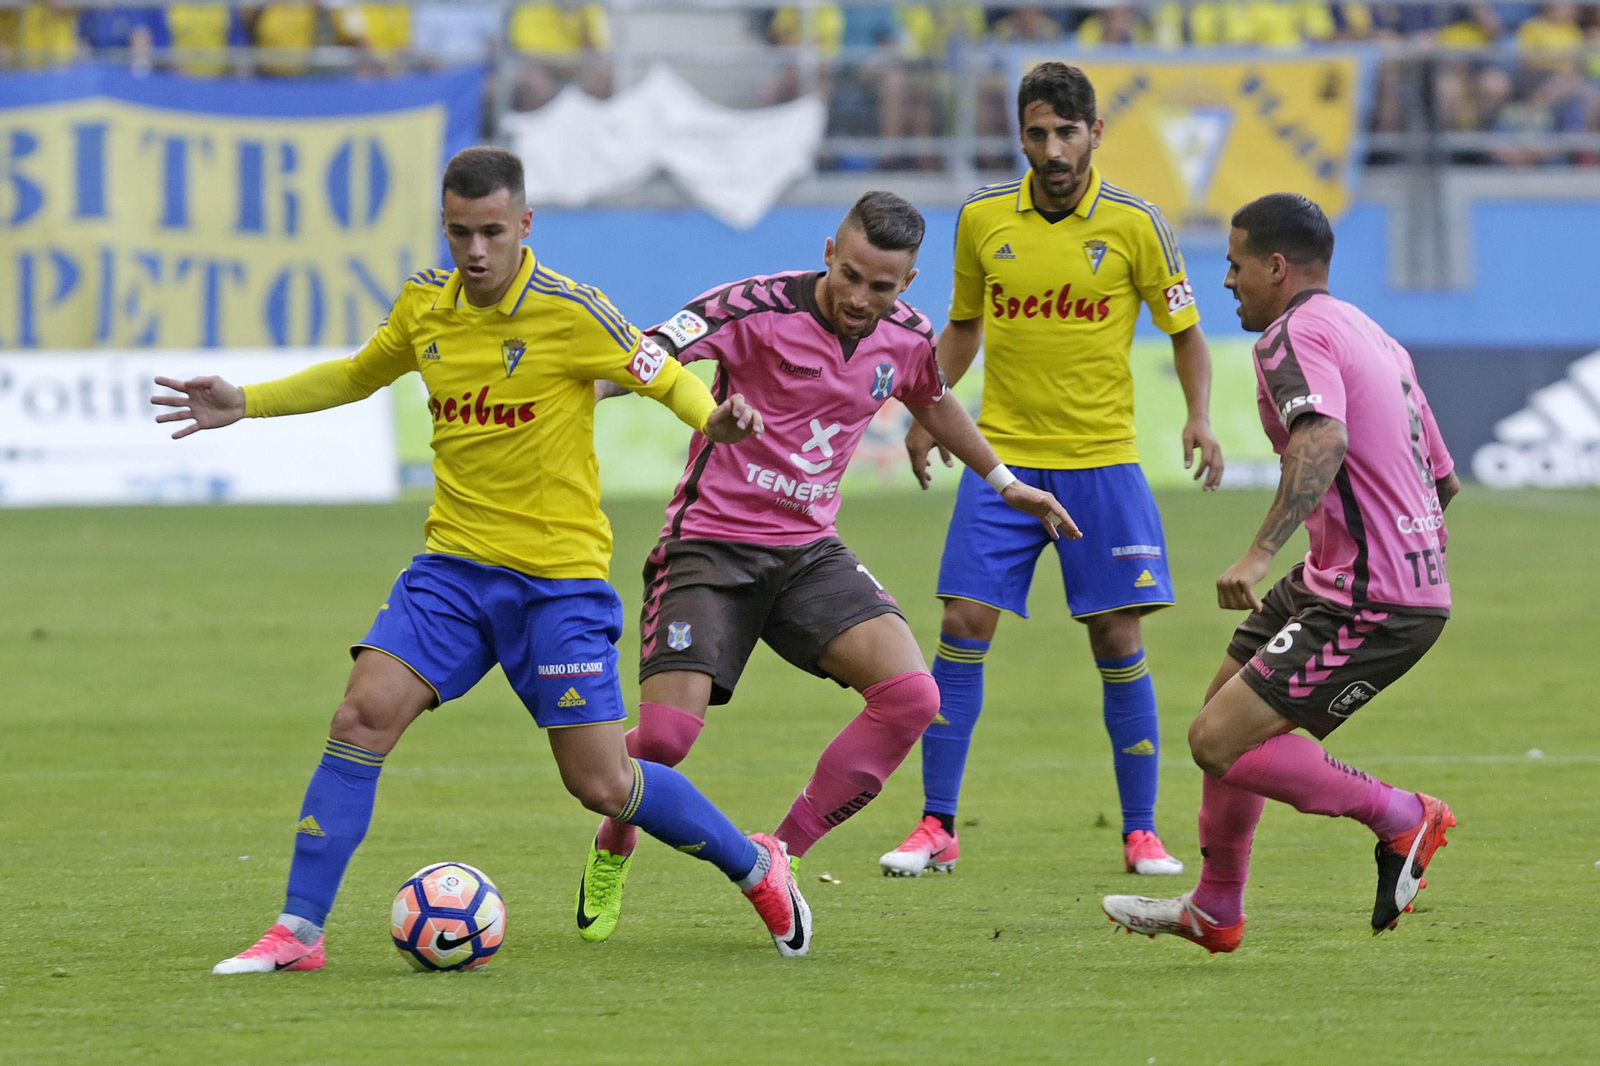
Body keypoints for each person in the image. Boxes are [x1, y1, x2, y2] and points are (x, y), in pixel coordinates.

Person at [151, 146, 817, 967]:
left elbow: (663, 376)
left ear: (524, 225)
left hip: (558, 585)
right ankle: (299, 932)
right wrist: (246, 403)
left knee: (603, 785)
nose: (474, 250)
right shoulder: (426, 307)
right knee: (360, 717)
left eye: (491, 231)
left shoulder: (575, 312)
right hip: (454, 573)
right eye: (460, 232)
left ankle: (755, 865)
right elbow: (358, 376)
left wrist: (711, 419)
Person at [573, 192, 1079, 943]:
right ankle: (616, 842)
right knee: (668, 743)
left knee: (911, 696)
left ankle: (780, 855)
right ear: (828, 254)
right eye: (850, 275)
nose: (859, 297)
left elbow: (934, 403)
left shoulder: (906, 335)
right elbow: (648, 354)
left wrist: (1007, 483)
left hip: (809, 554)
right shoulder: (752, 307)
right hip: (709, 548)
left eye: (881, 286)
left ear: (906, 285)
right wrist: (583, 392)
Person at [882, 61, 1223, 879]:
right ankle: (936, 825)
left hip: (1102, 461)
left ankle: (1142, 830)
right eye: (1037, 133)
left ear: (1095, 132)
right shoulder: (982, 219)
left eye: (1067, 132)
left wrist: (1201, 415)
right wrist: (931, 410)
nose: (1052, 148)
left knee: (1116, 634)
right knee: (963, 624)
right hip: (1002, 458)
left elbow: (1185, 331)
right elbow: (962, 327)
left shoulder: (1138, 224)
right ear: (1021, 136)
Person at [1102, 193, 1459, 953]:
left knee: (1217, 741)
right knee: (1220, 714)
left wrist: (1262, 551)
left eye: (1234, 265)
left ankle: (1402, 815)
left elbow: (1322, 435)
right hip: (1345, 575)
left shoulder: (1289, 337)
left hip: (1367, 593)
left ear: (1275, 266)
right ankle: (1215, 909)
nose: (1226, 281)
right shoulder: (1375, 336)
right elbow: (1444, 480)